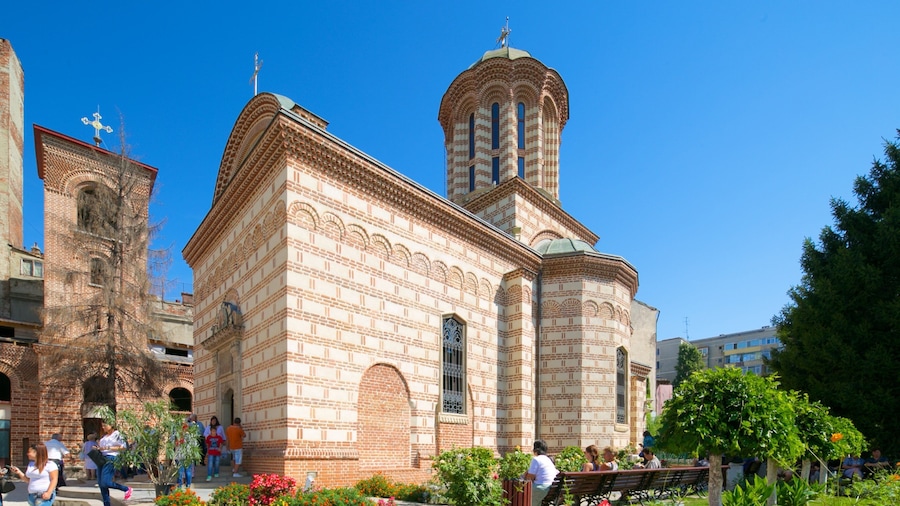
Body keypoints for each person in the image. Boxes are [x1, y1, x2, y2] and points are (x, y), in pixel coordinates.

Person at [98, 421, 132, 505]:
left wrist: (108, 447)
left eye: (105, 425)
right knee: (101, 484)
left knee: (106, 482)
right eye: (102, 426)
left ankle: (126, 489)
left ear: (112, 425)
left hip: (111, 457)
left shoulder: (118, 434)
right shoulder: (105, 436)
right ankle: (106, 504)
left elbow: (123, 447)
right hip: (101, 458)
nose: (103, 427)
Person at [524, 440, 558, 506]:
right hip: (551, 488)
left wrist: (524, 476)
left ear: (535, 450)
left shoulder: (536, 459)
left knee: (521, 495)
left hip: (540, 487)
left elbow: (529, 478)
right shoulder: (548, 460)